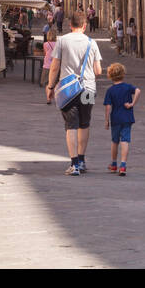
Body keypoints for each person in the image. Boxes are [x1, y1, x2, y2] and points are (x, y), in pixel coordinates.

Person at [45, 9, 102, 175]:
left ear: (70, 25)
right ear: (84, 26)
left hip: (69, 90)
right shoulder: (92, 43)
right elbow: (98, 70)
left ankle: (74, 164)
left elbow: (54, 66)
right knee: (84, 124)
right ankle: (82, 161)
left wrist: (50, 87)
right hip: (88, 89)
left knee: (71, 126)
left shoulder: (62, 41)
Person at [102, 62, 140, 175]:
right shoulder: (128, 87)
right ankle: (123, 165)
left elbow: (108, 107)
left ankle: (114, 164)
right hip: (127, 118)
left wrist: (106, 120)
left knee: (115, 141)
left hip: (116, 119)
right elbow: (138, 90)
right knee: (125, 140)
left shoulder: (110, 90)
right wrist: (132, 103)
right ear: (123, 74)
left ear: (110, 76)